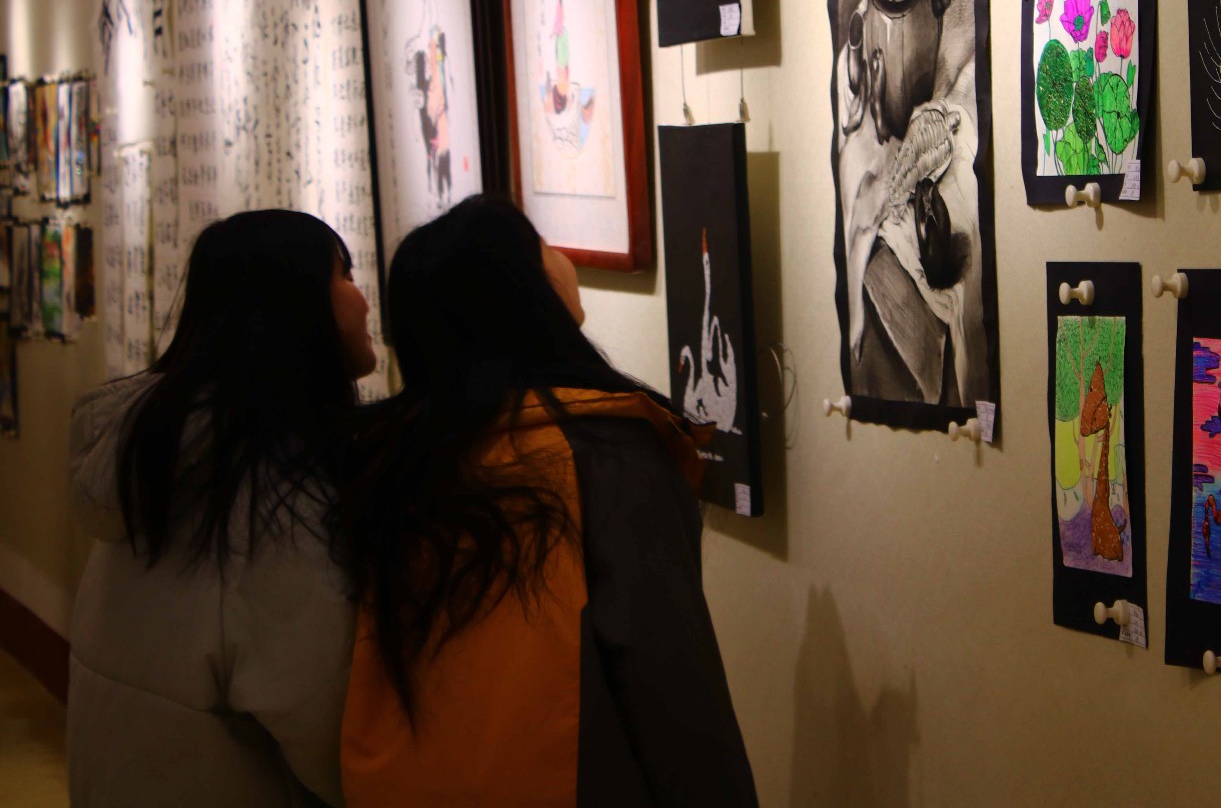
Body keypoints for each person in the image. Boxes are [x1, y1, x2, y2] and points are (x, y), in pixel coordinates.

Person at [335, 195, 757, 806]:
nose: (562, 257)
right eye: (541, 245)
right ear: (519, 292)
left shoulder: (391, 457)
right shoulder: (606, 454)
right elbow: (672, 687)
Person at [67, 210, 378, 807]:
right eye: (345, 274)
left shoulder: (162, 460)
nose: (362, 300)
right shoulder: (266, 504)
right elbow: (340, 750)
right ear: (294, 304)